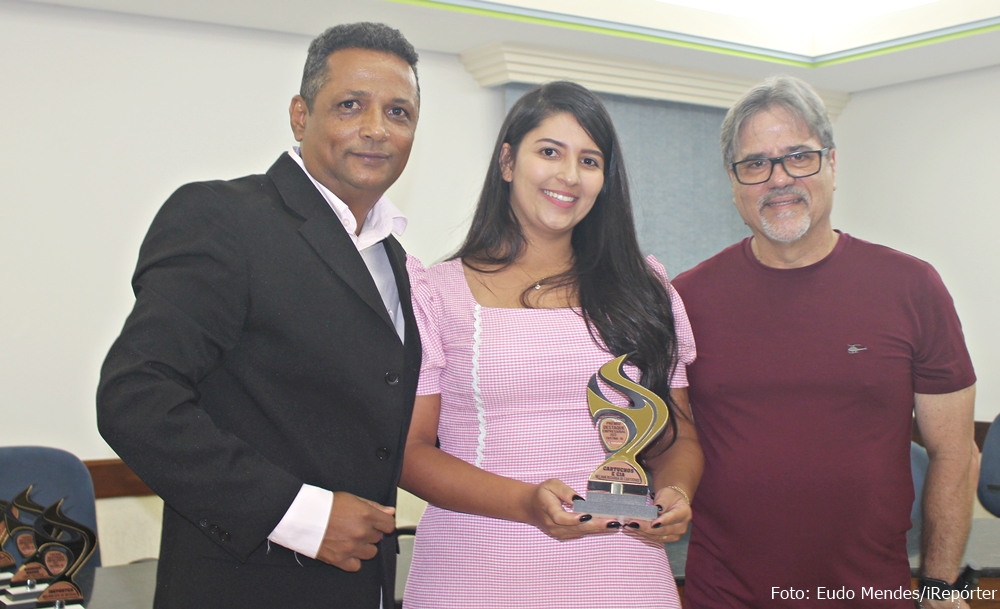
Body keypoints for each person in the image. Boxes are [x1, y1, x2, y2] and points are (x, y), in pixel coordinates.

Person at [96, 23, 422, 608]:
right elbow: (136, 399)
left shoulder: (396, 259)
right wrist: (300, 516)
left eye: (398, 112)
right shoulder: (223, 217)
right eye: (351, 105)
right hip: (244, 586)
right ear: (300, 116)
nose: (377, 128)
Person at [672, 75, 979, 609]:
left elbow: (954, 451)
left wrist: (938, 587)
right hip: (726, 595)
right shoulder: (685, 299)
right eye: (755, 164)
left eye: (799, 157)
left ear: (832, 164)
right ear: (734, 182)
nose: (779, 179)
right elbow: (671, 440)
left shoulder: (911, 287)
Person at [398, 81, 702, 609]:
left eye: (589, 160)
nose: (569, 176)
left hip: (623, 575)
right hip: (476, 573)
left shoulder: (645, 290)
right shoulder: (436, 292)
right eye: (549, 152)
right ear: (508, 162)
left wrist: (675, 493)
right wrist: (526, 502)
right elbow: (410, 453)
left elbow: (676, 438)